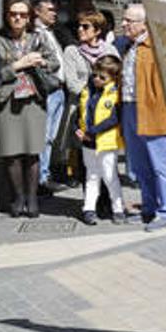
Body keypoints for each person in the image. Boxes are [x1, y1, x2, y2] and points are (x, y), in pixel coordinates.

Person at [0, 0, 61, 219]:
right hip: (7, 99)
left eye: (22, 14)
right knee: (11, 152)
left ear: (29, 17)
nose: (18, 18)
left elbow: (55, 63)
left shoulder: (38, 37)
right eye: (13, 14)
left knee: (32, 152)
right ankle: (18, 197)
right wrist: (17, 65)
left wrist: (41, 61)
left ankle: (32, 199)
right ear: (6, 16)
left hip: (33, 99)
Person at [119, 3, 166, 231]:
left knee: (161, 164)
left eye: (129, 21)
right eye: (124, 19)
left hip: (152, 110)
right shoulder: (129, 46)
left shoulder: (156, 46)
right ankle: (149, 208)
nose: (124, 24)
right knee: (140, 164)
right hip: (129, 107)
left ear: (144, 24)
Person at [74, 56, 127, 225]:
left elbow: (113, 118)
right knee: (91, 176)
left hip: (106, 142)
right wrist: (78, 129)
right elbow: (80, 113)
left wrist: (91, 132)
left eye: (102, 77)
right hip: (88, 142)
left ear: (113, 77)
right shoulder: (88, 91)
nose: (97, 79)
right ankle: (89, 209)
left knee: (110, 177)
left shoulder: (115, 93)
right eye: (95, 75)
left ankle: (118, 209)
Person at [32, 0, 69, 189]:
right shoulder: (36, 33)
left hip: (58, 89)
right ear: (37, 12)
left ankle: (46, 174)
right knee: (45, 136)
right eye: (50, 10)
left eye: (55, 10)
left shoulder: (50, 32)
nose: (54, 13)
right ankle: (41, 178)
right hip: (48, 89)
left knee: (52, 136)